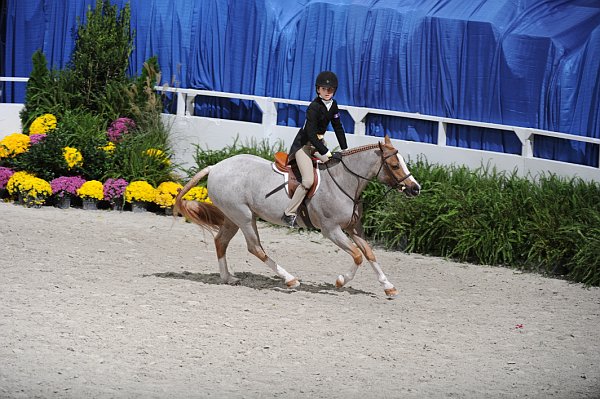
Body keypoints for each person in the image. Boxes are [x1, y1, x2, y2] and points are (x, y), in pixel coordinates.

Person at [282, 70, 348, 227]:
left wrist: (344, 149)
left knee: (334, 168)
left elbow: (338, 127)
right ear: (318, 89)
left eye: (331, 89)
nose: (327, 92)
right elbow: (311, 134)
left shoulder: (333, 105)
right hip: (303, 147)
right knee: (307, 181)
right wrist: (325, 151)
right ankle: (289, 213)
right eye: (324, 89)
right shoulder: (313, 107)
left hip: (318, 144)